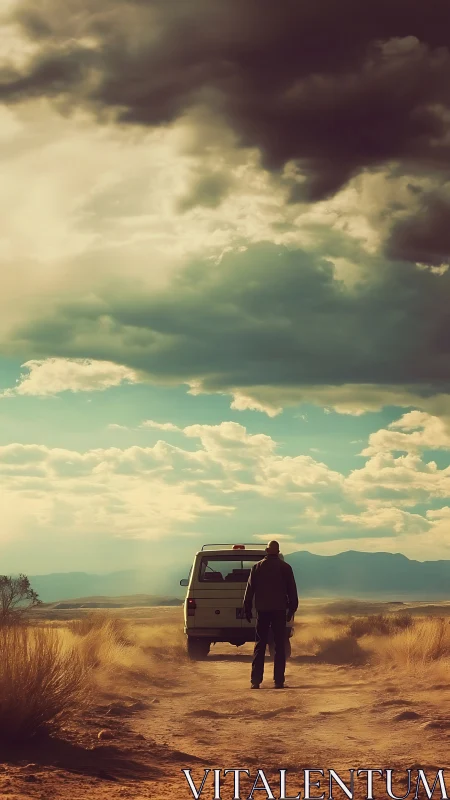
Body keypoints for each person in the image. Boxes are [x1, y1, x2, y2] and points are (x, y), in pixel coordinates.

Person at [243, 540, 298, 689]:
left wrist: (247, 608)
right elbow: (292, 591)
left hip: (262, 611)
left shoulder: (257, 567)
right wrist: (292, 610)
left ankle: (255, 681)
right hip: (279, 611)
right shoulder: (285, 567)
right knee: (279, 645)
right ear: (278, 552)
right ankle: (278, 681)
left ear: (266, 551)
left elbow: (249, 590)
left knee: (260, 644)